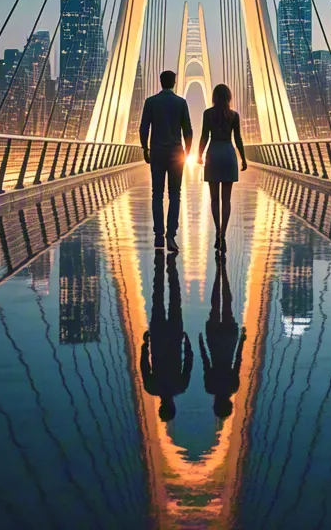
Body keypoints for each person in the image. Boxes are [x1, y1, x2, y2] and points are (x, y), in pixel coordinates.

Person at [139, 70, 192, 252]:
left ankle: (158, 236)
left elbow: (143, 128)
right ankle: (171, 236)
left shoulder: (151, 102)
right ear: (174, 82)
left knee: (157, 194)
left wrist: (145, 148)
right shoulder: (181, 103)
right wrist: (187, 152)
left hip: (157, 152)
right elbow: (188, 132)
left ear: (160, 82)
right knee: (175, 194)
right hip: (176, 153)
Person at [140, 253, 192, 423]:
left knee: (175, 298)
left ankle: (171, 267)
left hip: (175, 337)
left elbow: (188, 363)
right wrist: (145, 344)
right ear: (160, 407)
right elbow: (144, 365)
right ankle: (160, 267)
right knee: (157, 298)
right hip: (158, 338)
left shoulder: (181, 386)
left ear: (173, 407)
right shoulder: (151, 387)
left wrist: (187, 343)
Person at [198, 83, 247, 253]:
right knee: (226, 200)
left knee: (214, 199)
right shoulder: (234, 115)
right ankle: (223, 234)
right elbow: (238, 139)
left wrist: (199, 154)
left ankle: (217, 231)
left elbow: (204, 136)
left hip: (213, 153)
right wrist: (243, 158)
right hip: (228, 153)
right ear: (228, 97)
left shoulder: (207, 114)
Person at [199, 256, 246, 421]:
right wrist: (201, 344)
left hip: (229, 341)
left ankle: (223, 275)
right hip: (213, 341)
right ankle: (219, 274)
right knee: (215, 305)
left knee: (227, 305)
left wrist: (242, 340)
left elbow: (238, 360)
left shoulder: (234, 386)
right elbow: (206, 363)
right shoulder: (209, 387)